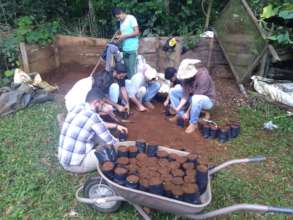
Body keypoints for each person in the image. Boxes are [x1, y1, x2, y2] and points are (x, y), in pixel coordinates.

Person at [58, 88, 128, 173]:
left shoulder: (78, 107)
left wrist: (116, 126)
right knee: (111, 153)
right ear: (96, 102)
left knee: (99, 136)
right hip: (76, 165)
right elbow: (111, 142)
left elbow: (98, 124)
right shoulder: (93, 116)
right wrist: (122, 145)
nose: (105, 105)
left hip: (64, 158)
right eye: (103, 103)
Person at [168, 59, 215, 134]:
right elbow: (185, 96)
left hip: (207, 100)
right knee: (173, 91)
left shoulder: (203, 77)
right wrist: (177, 108)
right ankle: (180, 115)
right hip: (193, 98)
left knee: (196, 98)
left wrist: (187, 112)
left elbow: (196, 97)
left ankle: (193, 123)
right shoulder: (186, 80)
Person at [112, 7, 140, 78]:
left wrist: (124, 36)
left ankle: (134, 86)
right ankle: (129, 85)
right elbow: (123, 35)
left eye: (119, 17)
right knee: (126, 69)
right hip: (125, 49)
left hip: (132, 49)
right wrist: (118, 39)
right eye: (117, 18)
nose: (118, 19)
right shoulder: (121, 22)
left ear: (122, 12)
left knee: (131, 69)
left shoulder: (131, 18)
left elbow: (137, 32)